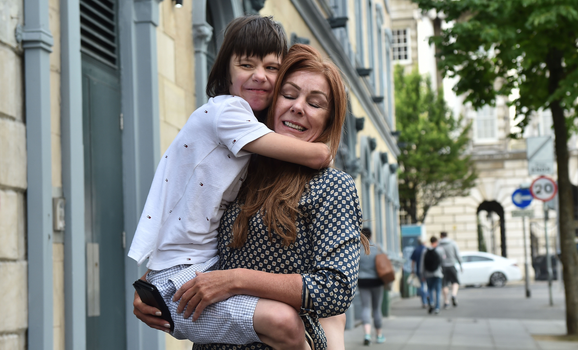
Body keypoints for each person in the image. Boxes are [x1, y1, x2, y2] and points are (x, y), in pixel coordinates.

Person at [134, 43, 369, 350]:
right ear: (272, 102)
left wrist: (236, 280)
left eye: (315, 103)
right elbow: (192, 227)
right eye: (289, 94)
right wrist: (152, 286)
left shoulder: (332, 186)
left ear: (328, 120)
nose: (298, 107)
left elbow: (336, 289)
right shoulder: (239, 171)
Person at [357, 228, 386, 345]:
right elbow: (385, 260)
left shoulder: (357, 249)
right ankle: (379, 335)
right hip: (377, 281)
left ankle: (367, 334)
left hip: (363, 281)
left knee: (365, 308)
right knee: (377, 309)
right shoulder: (378, 247)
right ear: (371, 235)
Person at [420, 236, 445, 315]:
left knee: (430, 289)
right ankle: (437, 307)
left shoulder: (425, 251)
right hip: (437, 273)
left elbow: (422, 264)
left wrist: (422, 274)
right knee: (438, 291)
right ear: (436, 241)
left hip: (428, 274)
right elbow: (443, 262)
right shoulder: (440, 250)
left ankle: (431, 302)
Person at [439, 231, 463, 308]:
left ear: (441, 236)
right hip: (452, 265)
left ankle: (446, 301)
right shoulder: (453, 243)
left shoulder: (439, 244)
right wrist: (460, 264)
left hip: (442, 267)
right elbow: (457, 255)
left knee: (444, 284)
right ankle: (453, 295)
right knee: (455, 282)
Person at [410, 238, 428, 308]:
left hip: (419, 271)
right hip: (427, 271)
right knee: (428, 286)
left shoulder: (416, 250)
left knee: (420, 286)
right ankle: (428, 296)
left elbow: (413, 262)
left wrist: (412, 270)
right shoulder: (427, 249)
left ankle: (424, 302)